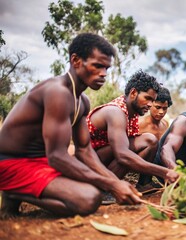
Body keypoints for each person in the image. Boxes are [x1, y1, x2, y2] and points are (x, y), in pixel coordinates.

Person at [0, 33, 142, 218]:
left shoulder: (82, 101)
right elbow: (57, 157)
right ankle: (12, 193)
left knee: (94, 189)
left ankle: (19, 192)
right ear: (75, 60)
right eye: (97, 66)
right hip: (10, 163)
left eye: (106, 68)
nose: (103, 74)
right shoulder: (57, 92)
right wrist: (112, 185)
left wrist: (113, 181)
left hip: (39, 163)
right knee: (89, 198)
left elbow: (84, 150)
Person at [86, 70, 178, 195]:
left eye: (153, 100)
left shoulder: (131, 112)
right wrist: (164, 172)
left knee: (149, 141)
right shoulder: (116, 112)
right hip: (89, 163)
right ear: (134, 93)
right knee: (126, 152)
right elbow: (122, 155)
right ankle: (104, 188)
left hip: (102, 159)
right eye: (147, 98)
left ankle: (143, 184)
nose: (150, 104)